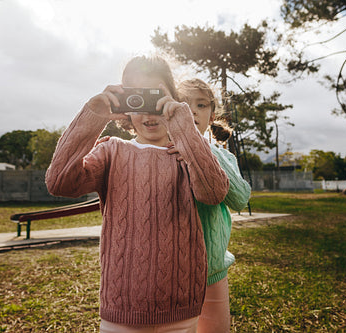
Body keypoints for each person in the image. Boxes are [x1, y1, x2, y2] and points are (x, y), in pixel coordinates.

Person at [45, 56, 230, 332]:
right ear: (125, 108)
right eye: (137, 99)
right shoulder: (112, 151)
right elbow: (59, 182)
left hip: (181, 309)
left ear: (173, 100)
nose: (149, 113)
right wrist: (93, 113)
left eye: (156, 98)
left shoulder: (186, 154)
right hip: (121, 310)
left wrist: (184, 130)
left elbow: (215, 192)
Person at [172, 78, 251, 333]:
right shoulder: (163, 152)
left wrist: (201, 149)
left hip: (213, 270)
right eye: (183, 103)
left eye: (201, 105)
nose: (192, 110)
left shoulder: (222, 155)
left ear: (212, 114)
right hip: (172, 274)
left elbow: (239, 198)